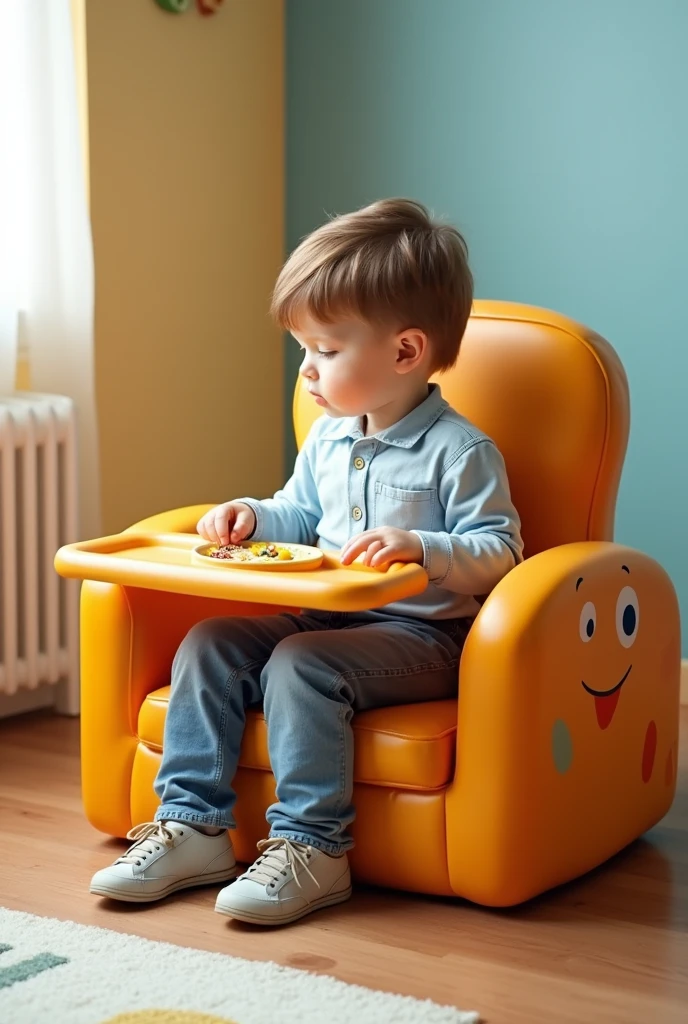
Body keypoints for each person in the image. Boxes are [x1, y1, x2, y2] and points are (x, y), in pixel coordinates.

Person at [90, 198, 523, 926]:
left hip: (423, 639)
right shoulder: (327, 437)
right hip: (324, 615)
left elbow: (502, 552)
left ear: (406, 352)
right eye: (304, 351)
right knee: (211, 642)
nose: (308, 370)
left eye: (325, 350)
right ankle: (194, 827)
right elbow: (300, 514)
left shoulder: (461, 451)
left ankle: (313, 849)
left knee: (301, 665)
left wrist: (425, 550)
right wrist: (251, 516)